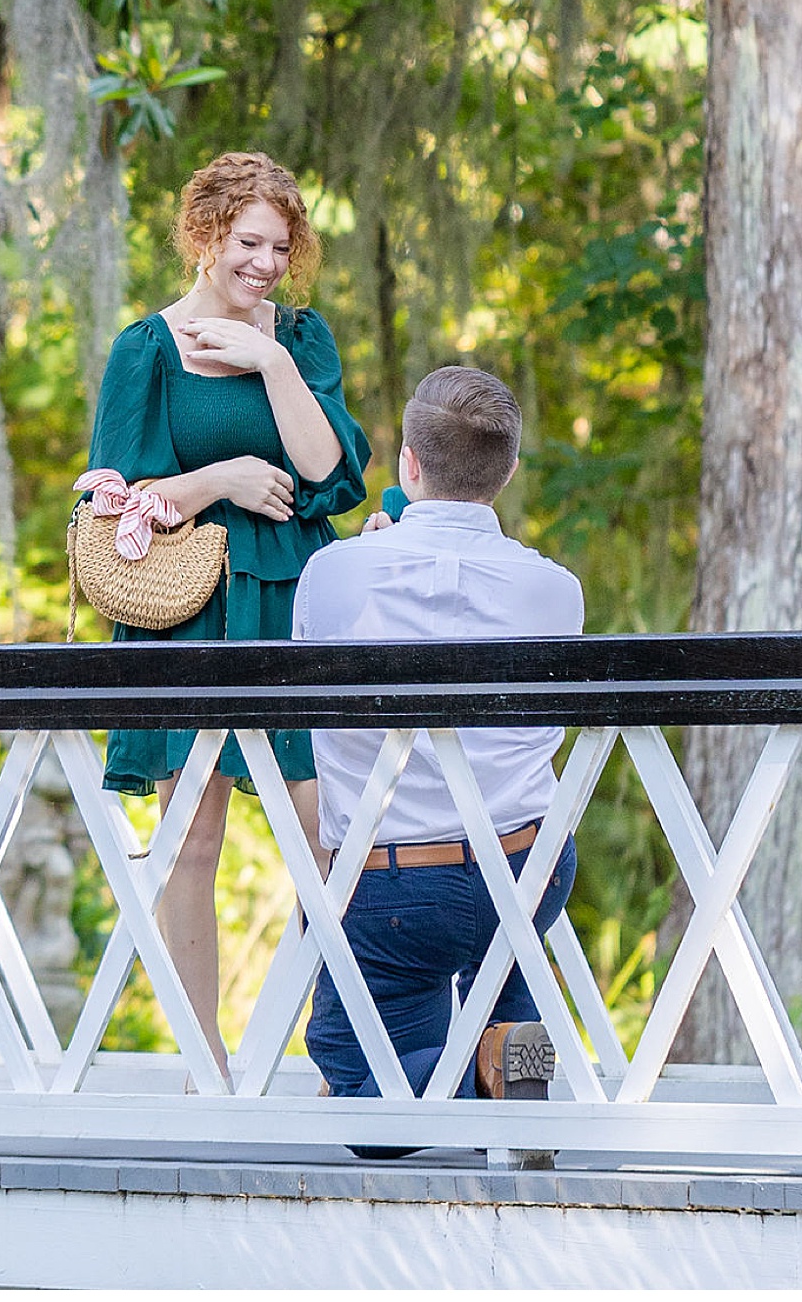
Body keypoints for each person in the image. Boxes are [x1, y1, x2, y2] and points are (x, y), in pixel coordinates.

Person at [83, 151, 370, 1079]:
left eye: (282, 246)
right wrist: (220, 482)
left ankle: (338, 1045)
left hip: (293, 599)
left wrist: (272, 361)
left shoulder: (302, 339)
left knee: (332, 833)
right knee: (191, 838)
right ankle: (207, 1061)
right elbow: (109, 506)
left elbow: (331, 478)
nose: (267, 263)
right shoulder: (148, 350)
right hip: (189, 608)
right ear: (204, 235)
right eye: (250, 242)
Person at [291, 365, 583, 1114]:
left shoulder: (332, 576)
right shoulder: (554, 589)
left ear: (407, 465)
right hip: (525, 871)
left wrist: (366, 553)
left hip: (394, 886)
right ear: (508, 471)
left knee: (363, 1088)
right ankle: (507, 1048)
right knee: (504, 945)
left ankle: (482, 1073)